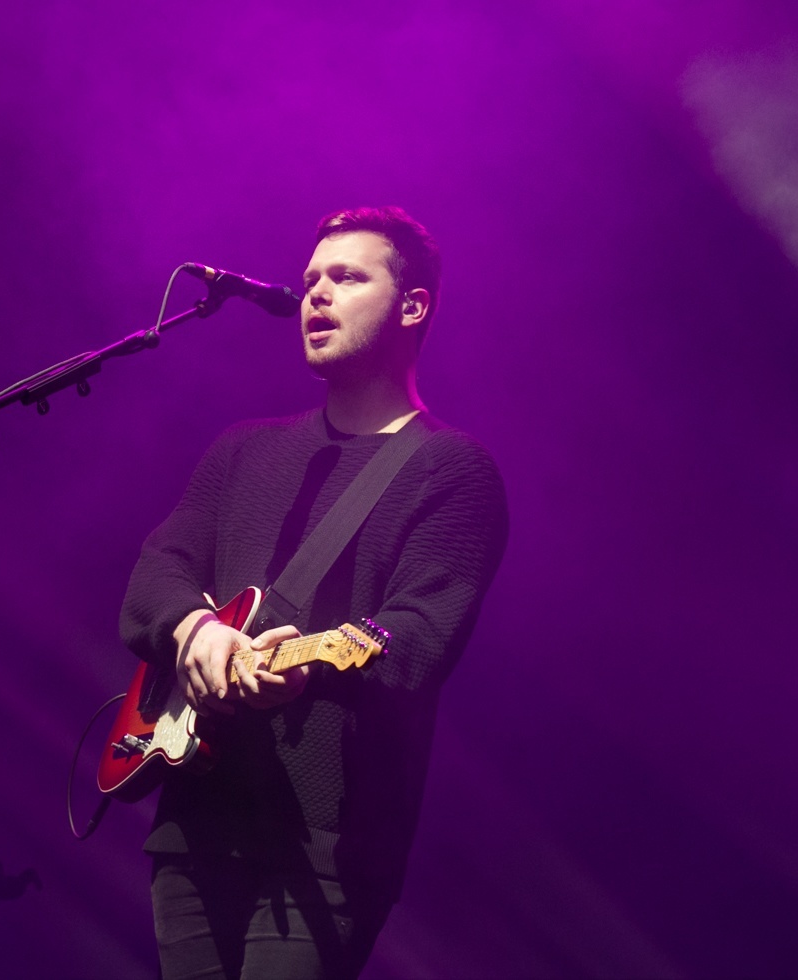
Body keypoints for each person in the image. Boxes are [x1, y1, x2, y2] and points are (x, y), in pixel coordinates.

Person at [119, 207, 508, 979]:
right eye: (309, 282)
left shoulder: (452, 471)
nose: (315, 296)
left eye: (346, 278)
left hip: (326, 845)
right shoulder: (243, 450)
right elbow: (154, 573)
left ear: (413, 305)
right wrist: (199, 632)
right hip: (196, 820)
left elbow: (418, 639)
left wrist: (304, 664)